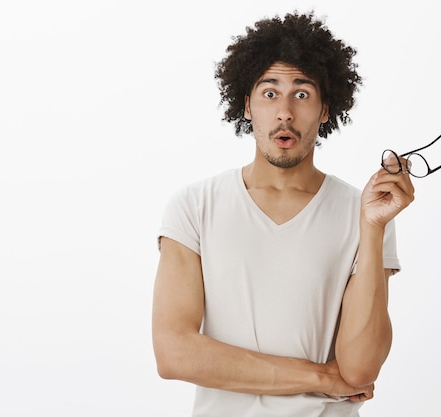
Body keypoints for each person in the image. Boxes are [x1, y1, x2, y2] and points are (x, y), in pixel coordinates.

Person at [152, 11, 415, 417]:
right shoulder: (195, 206)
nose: (285, 113)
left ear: (326, 110)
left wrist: (373, 228)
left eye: (303, 94)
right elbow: (174, 353)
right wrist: (319, 377)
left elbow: (360, 368)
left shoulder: (361, 212)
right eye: (270, 93)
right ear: (247, 105)